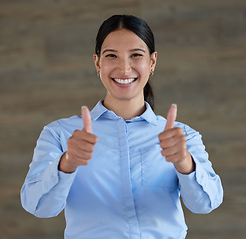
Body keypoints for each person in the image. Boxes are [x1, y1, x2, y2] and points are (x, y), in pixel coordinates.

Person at [21, 15, 223, 239]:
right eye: (111, 56)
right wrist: (66, 164)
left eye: (136, 55)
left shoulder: (182, 136)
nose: (124, 68)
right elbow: (38, 207)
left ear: (152, 62)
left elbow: (206, 204)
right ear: (97, 62)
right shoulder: (60, 134)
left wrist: (184, 163)